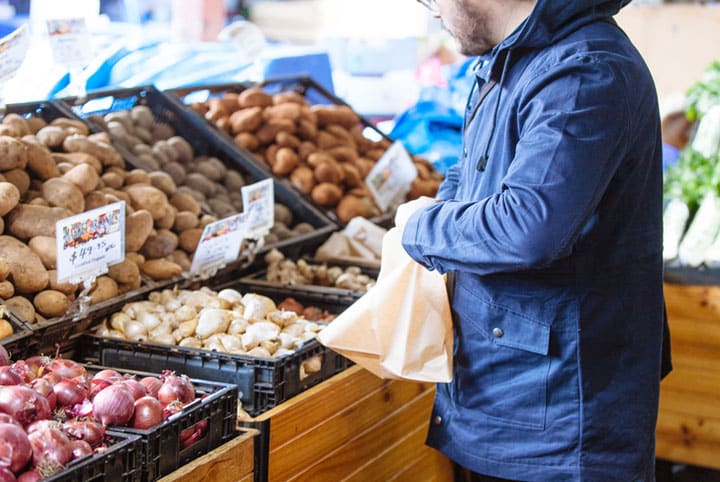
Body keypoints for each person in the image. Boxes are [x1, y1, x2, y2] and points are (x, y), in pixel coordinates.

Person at [396, 0, 669, 480]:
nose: (433, 12)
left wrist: (417, 229)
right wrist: (436, 213)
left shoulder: (585, 71)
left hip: (562, 419)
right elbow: (470, 172)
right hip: (512, 394)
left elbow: (528, 227)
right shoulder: (509, 60)